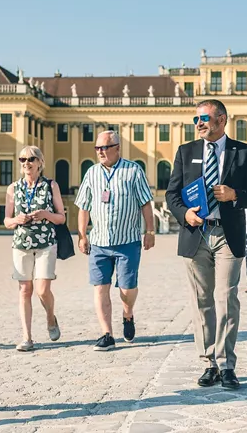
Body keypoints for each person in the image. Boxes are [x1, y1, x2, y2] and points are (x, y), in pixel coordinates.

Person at [166, 99, 247, 390]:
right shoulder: (186, 152)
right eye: (196, 119)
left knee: (226, 298)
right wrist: (184, 213)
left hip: (227, 235)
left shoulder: (243, 152)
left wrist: (235, 194)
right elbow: (172, 195)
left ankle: (227, 364)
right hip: (195, 234)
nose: (199, 123)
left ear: (222, 119)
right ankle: (209, 361)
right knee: (202, 301)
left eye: (205, 118)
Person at [76, 130, 156, 351]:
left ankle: (128, 314)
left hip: (127, 242)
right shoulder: (91, 173)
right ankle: (106, 334)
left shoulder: (133, 171)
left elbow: (145, 203)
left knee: (127, 289)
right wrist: (82, 235)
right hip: (99, 242)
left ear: (117, 148)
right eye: (98, 148)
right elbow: (83, 206)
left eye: (105, 147)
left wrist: (150, 231)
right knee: (100, 287)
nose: (100, 152)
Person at [3, 145, 67, 352]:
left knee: (42, 290)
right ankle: (27, 337)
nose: (26, 163)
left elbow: (61, 217)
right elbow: (6, 220)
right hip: (21, 244)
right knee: (24, 290)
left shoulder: (50, 185)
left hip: (46, 244)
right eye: (22, 160)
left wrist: (45, 214)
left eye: (31, 159)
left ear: (40, 162)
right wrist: (16, 219)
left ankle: (50, 318)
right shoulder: (13, 188)